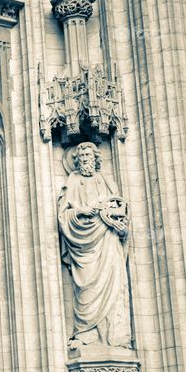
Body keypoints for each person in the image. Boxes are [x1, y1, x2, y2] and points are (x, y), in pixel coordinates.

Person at [58, 142, 131, 348]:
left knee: (114, 284)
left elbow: (120, 208)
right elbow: (64, 215)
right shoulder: (73, 180)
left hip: (107, 239)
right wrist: (82, 211)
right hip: (84, 243)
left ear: (95, 158)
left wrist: (118, 224)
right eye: (81, 157)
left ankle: (115, 336)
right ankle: (86, 332)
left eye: (88, 156)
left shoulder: (105, 180)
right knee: (87, 288)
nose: (85, 160)